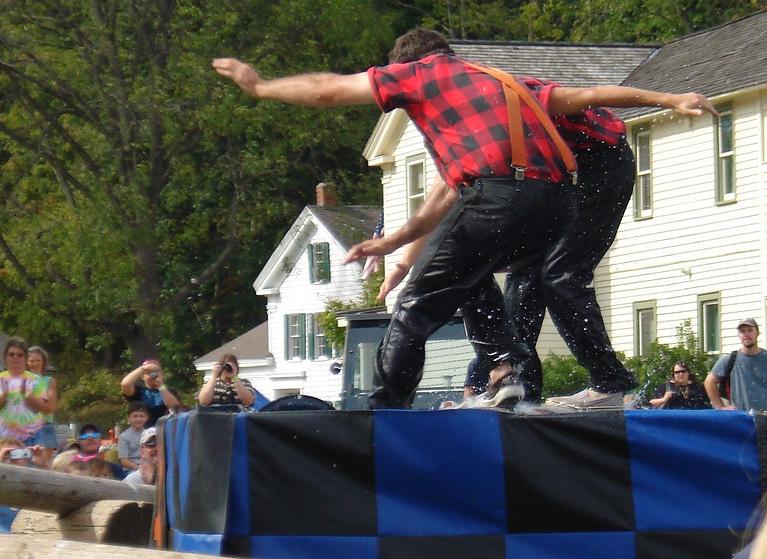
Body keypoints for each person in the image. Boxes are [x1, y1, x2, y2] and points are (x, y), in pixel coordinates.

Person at [214, 28, 716, 410]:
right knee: (482, 272)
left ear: (408, 69)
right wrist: (397, 248)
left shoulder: (423, 76)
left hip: (599, 168)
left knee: (538, 281)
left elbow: (326, 90)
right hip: (553, 197)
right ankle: (511, 379)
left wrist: (261, 87)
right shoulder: (496, 88)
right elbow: (447, 195)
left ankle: (385, 416)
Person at [704, 319, 767, 412]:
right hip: (741, 418)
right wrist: (720, 407)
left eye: (750, 330)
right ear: (739, 335)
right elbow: (709, 382)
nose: (746, 334)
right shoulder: (731, 359)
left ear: (757, 333)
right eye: (742, 331)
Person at [0, 337, 49, 444]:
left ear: (25, 358)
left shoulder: (36, 380)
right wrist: (4, 394)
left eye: (19, 354)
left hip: (32, 436)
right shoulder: (0, 379)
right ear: (5, 357)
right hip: (5, 438)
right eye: (11, 354)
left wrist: (26, 395)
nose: (15, 357)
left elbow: (41, 407)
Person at [120, 359, 181, 424]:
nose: (153, 375)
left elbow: (174, 406)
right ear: (142, 376)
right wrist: (142, 368)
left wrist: (160, 386)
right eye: (149, 373)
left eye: (156, 372)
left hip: (164, 429)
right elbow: (125, 384)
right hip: (142, 430)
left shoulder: (169, 392)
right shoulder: (138, 391)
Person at [26, 345, 59, 463]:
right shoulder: (21, 379)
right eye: (32, 361)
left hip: (45, 425)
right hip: (24, 428)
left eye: (38, 360)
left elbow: (50, 407)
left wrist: (30, 400)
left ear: (43, 362)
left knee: (43, 464)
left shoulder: (49, 381)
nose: (35, 364)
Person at [117, 402, 150, 471]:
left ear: (146, 417)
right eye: (135, 416)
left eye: (141, 416)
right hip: (132, 469)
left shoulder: (150, 434)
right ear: (128, 418)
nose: (138, 419)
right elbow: (124, 461)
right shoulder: (124, 437)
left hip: (149, 467)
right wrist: (140, 469)